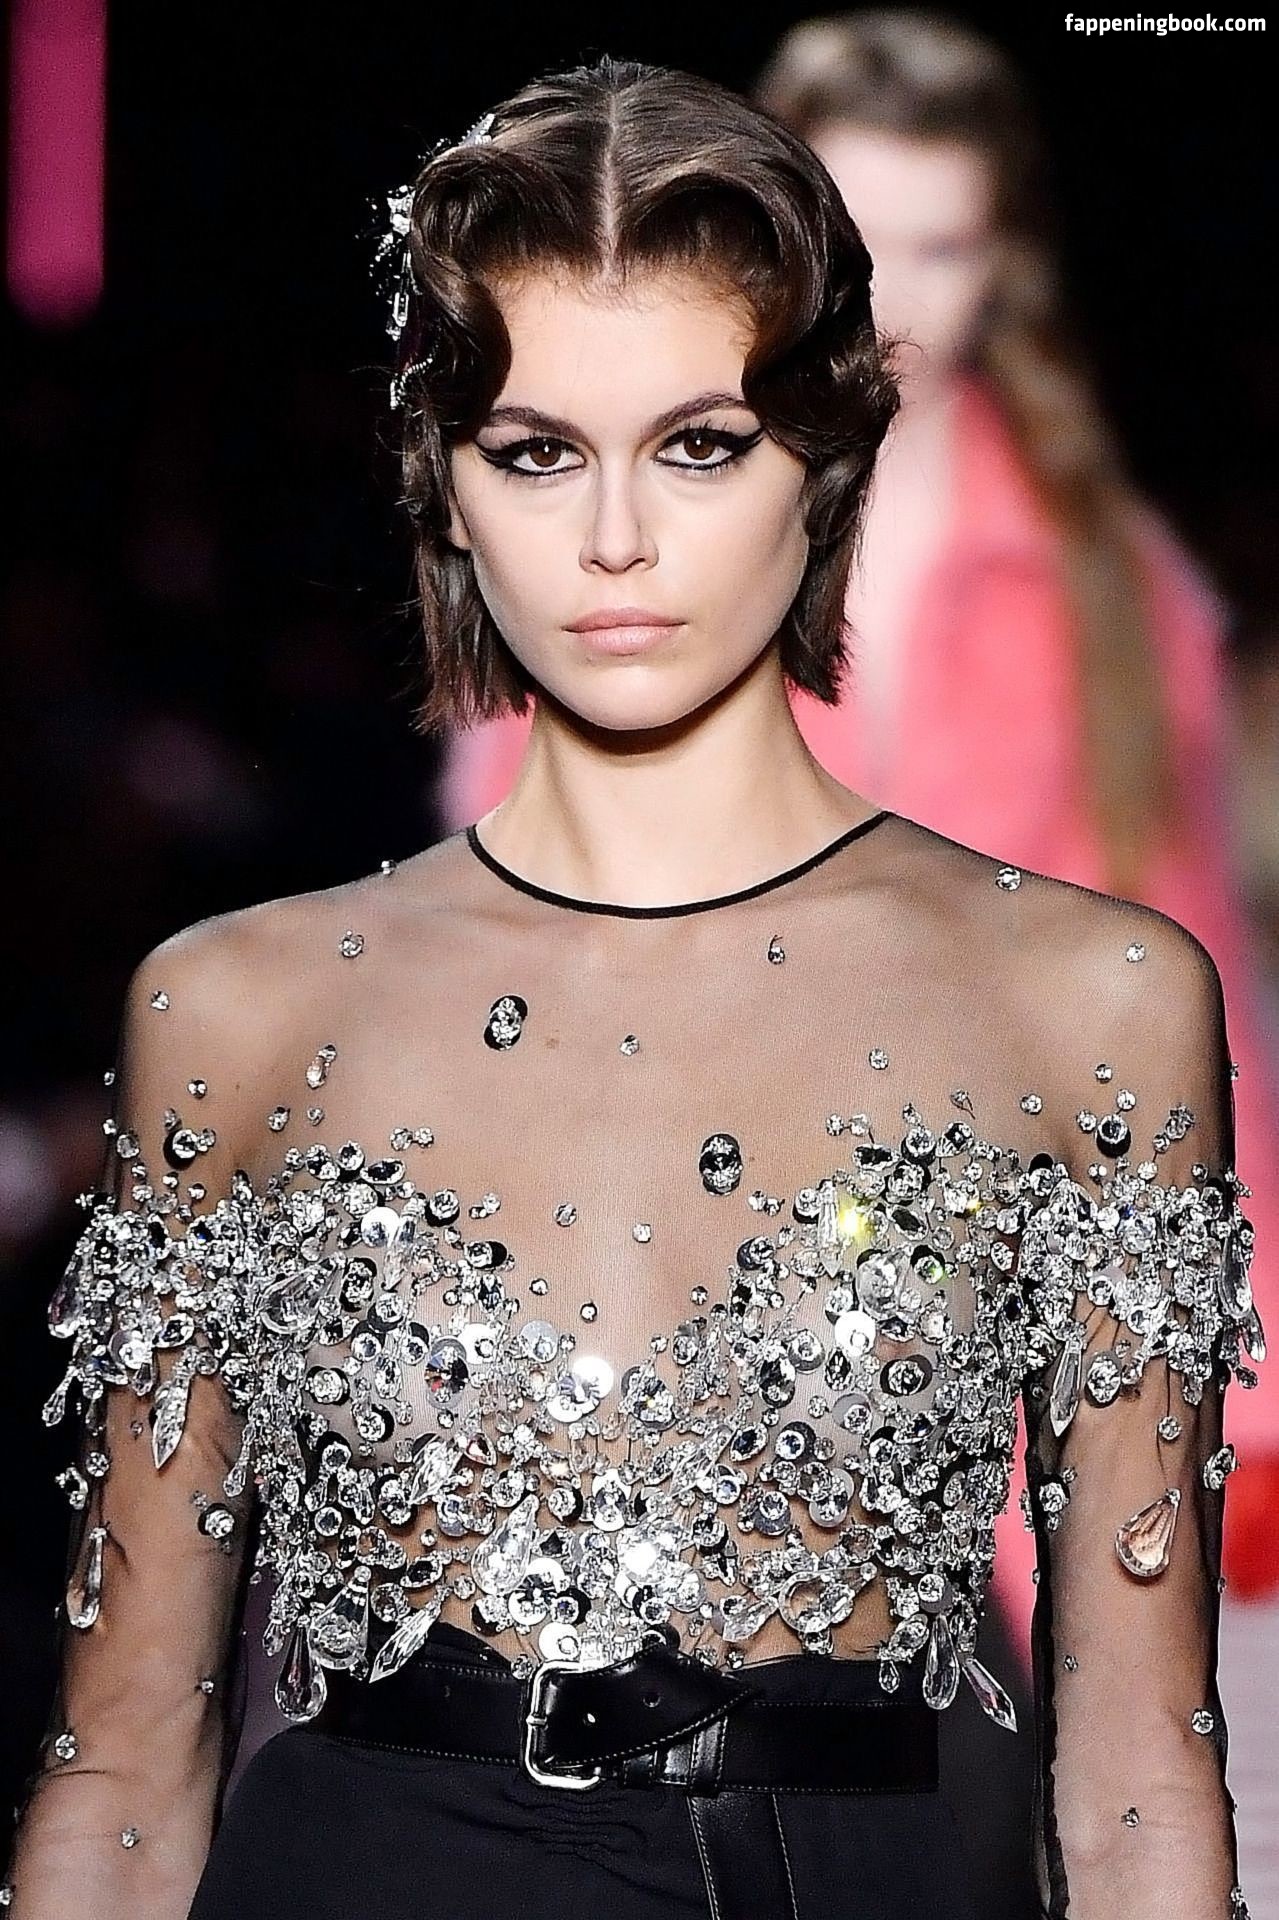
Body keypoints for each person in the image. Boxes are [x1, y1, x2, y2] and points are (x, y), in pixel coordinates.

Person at [3, 55, 1264, 1920]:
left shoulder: (1086, 1004)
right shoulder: (242, 1012)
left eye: (700, 444)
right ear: (443, 484)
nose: (614, 538)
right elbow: (119, 1772)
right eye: (535, 451)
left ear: (824, 456)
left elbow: (1142, 1775)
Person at [439, 6, 1279, 1679]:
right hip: (671, 1299)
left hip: (1016, 1319)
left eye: (945, 247)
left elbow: (1179, 984)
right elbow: (494, 934)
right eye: (857, 240)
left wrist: (1238, 1381)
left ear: (1006, 263)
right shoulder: (622, 528)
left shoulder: (1103, 581)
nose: (896, 302)